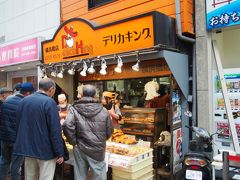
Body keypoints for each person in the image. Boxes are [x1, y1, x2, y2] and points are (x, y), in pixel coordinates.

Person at [13, 78, 64, 180]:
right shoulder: (49, 102)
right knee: (46, 177)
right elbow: (55, 130)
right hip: (46, 150)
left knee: (30, 177)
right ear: (51, 89)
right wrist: (59, 152)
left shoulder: (23, 101)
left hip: (28, 149)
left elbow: (18, 125)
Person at [63, 84, 113, 180]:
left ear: (81, 94)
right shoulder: (104, 110)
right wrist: (101, 139)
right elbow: (109, 130)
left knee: (80, 176)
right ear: (95, 95)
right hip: (97, 149)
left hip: (80, 147)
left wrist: (74, 141)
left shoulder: (74, 109)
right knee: (99, 176)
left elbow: (66, 125)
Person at [0, 82, 34, 180]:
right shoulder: (25, 103)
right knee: (16, 166)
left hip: (4, 137)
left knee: (3, 161)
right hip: (17, 139)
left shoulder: (6, 102)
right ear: (27, 93)